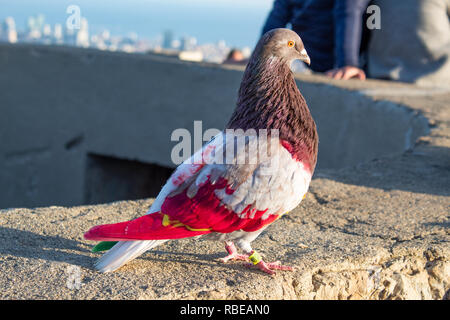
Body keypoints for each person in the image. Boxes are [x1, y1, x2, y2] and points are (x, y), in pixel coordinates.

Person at [262, 0, 369, 79]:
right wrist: (347, 63)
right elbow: (348, 9)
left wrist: (261, 54)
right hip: (328, 64)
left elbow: (278, 15)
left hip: (305, 60)